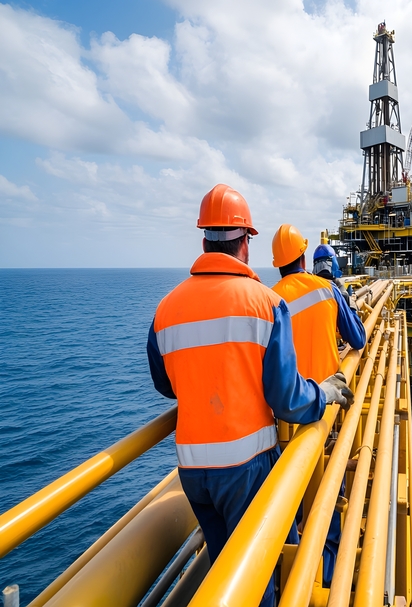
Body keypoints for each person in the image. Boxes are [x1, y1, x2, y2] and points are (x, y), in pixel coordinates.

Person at [146, 184, 352, 607]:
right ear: (245, 244)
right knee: (258, 579)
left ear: (204, 241)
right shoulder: (264, 303)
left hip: (192, 472)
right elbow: (287, 399)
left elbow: (166, 385)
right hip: (245, 468)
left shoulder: (165, 309)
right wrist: (325, 393)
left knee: (224, 572)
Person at [271, 227, 366, 587]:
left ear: (278, 264)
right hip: (325, 412)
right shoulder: (327, 290)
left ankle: (290, 572)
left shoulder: (269, 299)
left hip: (286, 419)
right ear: (303, 258)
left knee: (292, 496)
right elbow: (358, 338)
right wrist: (348, 307)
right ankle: (325, 576)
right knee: (328, 494)